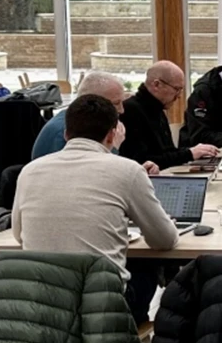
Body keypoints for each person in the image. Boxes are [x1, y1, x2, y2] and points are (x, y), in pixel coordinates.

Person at [13, 94, 179, 324]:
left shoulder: (30, 171)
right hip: (103, 307)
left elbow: (18, 235)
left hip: (43, 304)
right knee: (148, 267)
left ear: (66, 133)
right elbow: (165, 240)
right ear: (113, 134)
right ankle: (134, 340)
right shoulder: (128, 171)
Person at [120, 61, 219, 171]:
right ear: (157, 84)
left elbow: (167, 152)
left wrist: (195, 151)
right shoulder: (130, 111)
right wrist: (189, 154)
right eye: (177, 89)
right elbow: (143, 161)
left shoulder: (158, 109)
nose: (179, 96)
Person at [31, 71, 127, 160]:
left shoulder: (85, 123)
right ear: (95, 103)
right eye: (116, 103)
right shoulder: (67, 130)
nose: (122, 110)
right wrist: (113, 147)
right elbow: (91, 173)